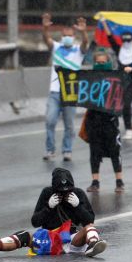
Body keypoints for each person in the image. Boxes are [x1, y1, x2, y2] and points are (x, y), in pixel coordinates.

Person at [0, 168, 107, 258]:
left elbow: (90, 220)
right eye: (61, 192)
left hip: (71, 239)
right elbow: (35, 222)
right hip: (49, 240)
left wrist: (78, 206)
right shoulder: (47, 193)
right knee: (24, 236)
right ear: (54, 189)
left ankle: (93, 245)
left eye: (67, 190)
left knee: (89, 228)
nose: (64, 194)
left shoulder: (78, 194)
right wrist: (49, 206)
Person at [41, 13, 89, 161]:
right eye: (64, 35)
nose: (67, 37)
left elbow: (86, 43)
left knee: (69, 124)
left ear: (74, 36)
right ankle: (50, 150)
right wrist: (44, 28)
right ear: (61, 36)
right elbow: (46, 40)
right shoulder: (56, 47)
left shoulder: (78, 50)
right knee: (50, 121)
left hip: (70, 93)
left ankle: (67, 150)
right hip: (55, 92)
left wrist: (83, 31)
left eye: (70, 35)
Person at [84, 48, 124, 193]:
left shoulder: (116, 79)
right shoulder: (89, 79)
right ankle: (95, 182)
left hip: (110, 121)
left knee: (114, 151)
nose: (100, 64)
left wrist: (128, 72)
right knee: (94, 152)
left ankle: (119, 181)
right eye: (98, 62)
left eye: (103, 62)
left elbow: (128, 82)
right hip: (94, 121)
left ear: (109, 62)